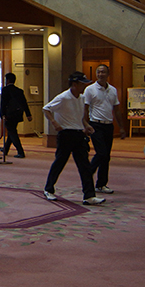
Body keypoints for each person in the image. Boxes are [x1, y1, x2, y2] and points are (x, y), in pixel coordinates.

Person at [43, 71, 104, 206]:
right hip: (66, 134)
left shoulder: (81, 98)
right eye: (82, 84)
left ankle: (89, 195)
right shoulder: (63, 97)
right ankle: (48, 189)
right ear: (74, 84)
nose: (84, 86)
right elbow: (46, 109)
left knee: (85, 166)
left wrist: (86, 125)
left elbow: (80, 117)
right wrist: (54, 123)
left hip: (79, 134)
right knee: (60, 162)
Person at [84, 64, 125, 194]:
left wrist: (121, 127)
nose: (100, 74)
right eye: (98, 72)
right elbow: (85, 108)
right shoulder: (90, 89)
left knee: (106, 156)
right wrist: (85, 125)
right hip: (95, 125)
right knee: (101, 153)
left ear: (108, 74)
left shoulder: (112, 90)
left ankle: (101, 184)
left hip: (108, 125)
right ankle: (87, 174)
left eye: (103, 72)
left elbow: (116, 109)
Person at [0, 72, 32, 158]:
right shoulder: (19, 91)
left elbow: (3, 103)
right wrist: (28, 114)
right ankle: (5, 149)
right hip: (17, 114)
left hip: (9, 114)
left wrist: (2, 114)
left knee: (12, 132)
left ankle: (20, 151)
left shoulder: (5, 90)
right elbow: (24, 103)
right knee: (12, 131)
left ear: (7, 80)